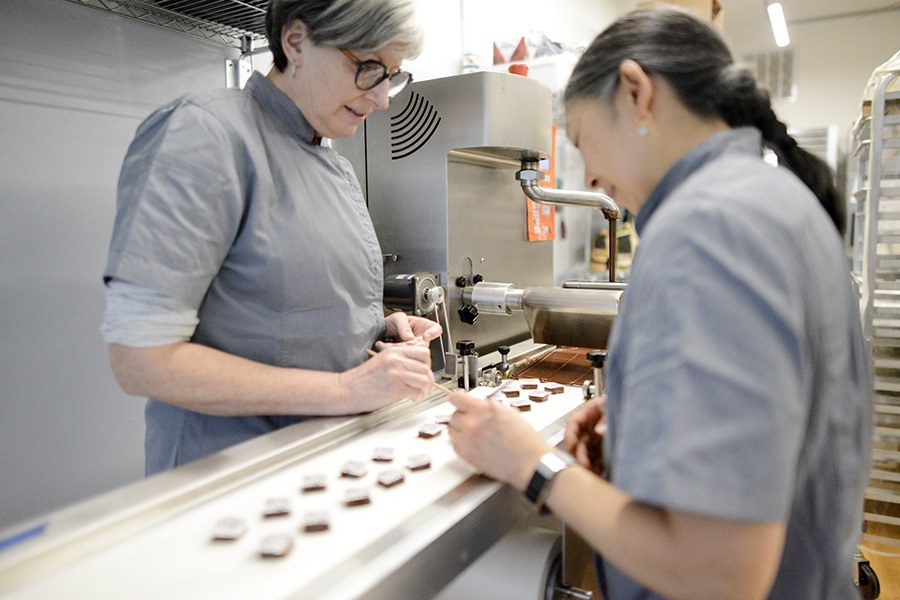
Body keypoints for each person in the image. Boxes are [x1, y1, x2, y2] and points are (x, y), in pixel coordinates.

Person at [448, 8, 871, 600]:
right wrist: (645, 420)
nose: (590, 177)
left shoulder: (705, 228)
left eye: (581, 141)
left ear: (635, 91)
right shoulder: (776, 199)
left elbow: (721, 574)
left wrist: (533, 465)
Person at [102, 0, 441, 476]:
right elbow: (140, 360)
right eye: (369, 68)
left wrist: (381, 329)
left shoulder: (333, 164)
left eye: (393, 75)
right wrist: (348, 390)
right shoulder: (205, 134)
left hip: (323, 456)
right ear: (296, 41)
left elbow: (279, 310)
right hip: (229, 472)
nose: (384, 98)